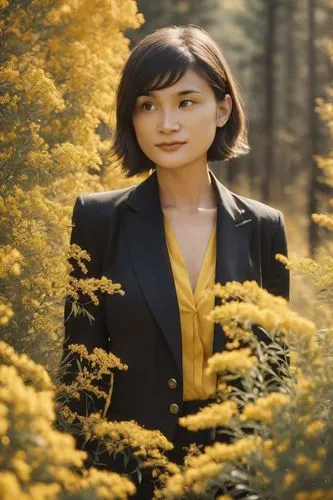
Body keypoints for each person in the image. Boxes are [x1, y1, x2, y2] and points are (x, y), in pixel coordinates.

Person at [60, 24, 289, 499]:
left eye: (186, 102)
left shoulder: (265, 227)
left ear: (222, 108)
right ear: (132, 117)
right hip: (129, 472)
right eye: (148, 105)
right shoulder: (98, 219)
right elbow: (79, 369)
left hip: (237, 475)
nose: (167, 123)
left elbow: (274, 374)